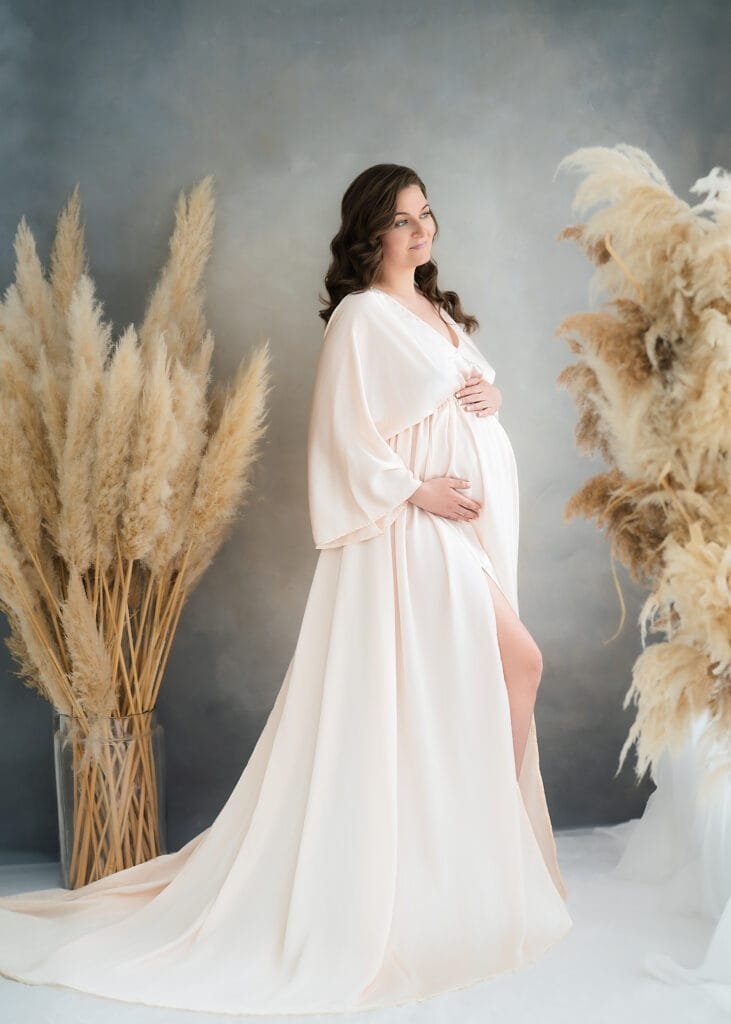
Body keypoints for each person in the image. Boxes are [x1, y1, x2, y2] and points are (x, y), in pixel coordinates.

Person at [0, 163, 573, 1015]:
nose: (420, 232)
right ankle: (473, 852)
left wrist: (491, 391)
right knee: (514, 664)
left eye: (427, 216)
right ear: (369, 232)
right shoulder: (360, 317)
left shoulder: (436, 310)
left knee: (490, 679)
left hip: (457, 534)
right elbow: (342, 438)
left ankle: (469, 854)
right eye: (402, 220)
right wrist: (418, 491)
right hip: (410, 536)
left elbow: (459, 394)